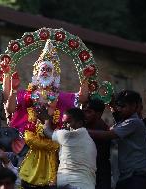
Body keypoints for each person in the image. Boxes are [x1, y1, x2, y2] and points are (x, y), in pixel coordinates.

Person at [5, 40, 90, 188]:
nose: (44, 72)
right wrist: (14, 89)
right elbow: (11, 109)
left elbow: (82, 98)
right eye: (42, 69)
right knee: (23, 181)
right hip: (29, 143)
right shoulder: (27, 94)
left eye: (48, 70)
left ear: (54, 74)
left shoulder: (60, 96)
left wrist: (85, 79)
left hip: (53, 143)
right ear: (36, 73)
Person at [88, 90, 146, 189]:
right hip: (126, 177)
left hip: (137, 177)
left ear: (134, 106)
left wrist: (81, 131)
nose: (119, 109)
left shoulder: (134, 122)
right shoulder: (124, 122)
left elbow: (108, 134)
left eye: (123, 106)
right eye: (118, 106)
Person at [43, 107, 97, 189]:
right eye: (64, 123)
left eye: (68, 122)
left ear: (79, 122)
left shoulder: (68, 135)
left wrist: (47, 117)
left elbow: (47, 131)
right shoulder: (90, 140)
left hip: (73, 184)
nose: (65, 126)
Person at [83, 99, 111, 189]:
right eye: (83, 111)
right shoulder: (84, 126)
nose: (84, 115)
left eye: (88, 112)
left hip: (100, 175)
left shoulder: (103, 130)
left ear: (99, 114)